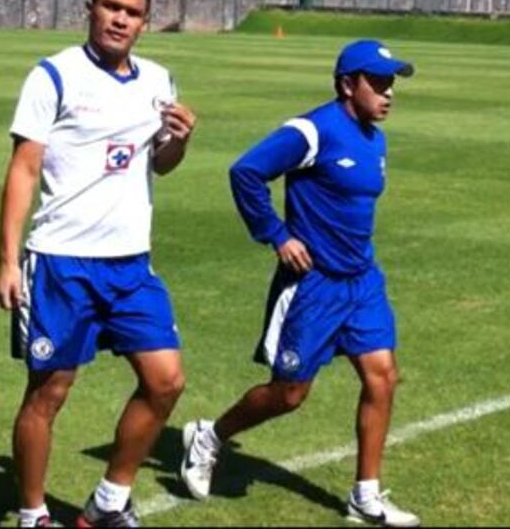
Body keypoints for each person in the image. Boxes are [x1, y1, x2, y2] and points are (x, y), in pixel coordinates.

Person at [179, 39, 420, 527]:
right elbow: (246, 171)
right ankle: (209, 436)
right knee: (289, 394)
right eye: (378, 82)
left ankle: (365, 497)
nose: (388, 92)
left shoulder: (375, 137)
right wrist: (277, 235)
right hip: (313, 287)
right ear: (347, 84)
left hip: (362, 281)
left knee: (383, 377)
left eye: (392, 82)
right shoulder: (312, 130)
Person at [0, 0, 197, 528]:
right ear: (90, 7)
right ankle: (33, 515)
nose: (119, 20)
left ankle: (108, 502)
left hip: (131, 263)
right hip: (61, 263)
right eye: (111, 7)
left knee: (166, 381)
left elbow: (163, 163)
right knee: (50, 392)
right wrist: (8, 261)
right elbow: (23, 169)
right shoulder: (53, 76)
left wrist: (179, 140)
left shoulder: (159, 80)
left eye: (131, 13)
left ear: (145, 22)